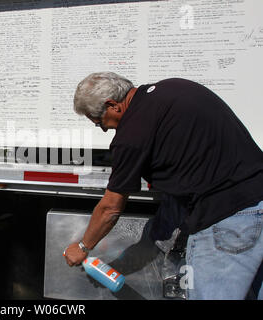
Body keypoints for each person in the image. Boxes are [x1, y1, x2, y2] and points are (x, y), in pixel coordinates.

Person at [63, 72, 263, 300]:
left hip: (226, 219)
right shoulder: (175, 88)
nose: (104, 129)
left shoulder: (132, 133)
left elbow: (110, 208)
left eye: (99, 122)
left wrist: (83, 246)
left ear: (113, 105)